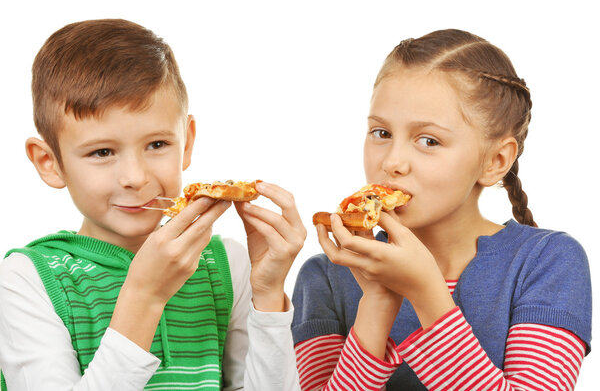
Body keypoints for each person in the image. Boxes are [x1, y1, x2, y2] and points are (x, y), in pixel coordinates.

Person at [0, 19, 304, 390]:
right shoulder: (26, 280)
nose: (135, 176)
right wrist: (144, 297)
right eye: (102, 152)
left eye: (157, 145)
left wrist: (268, 293)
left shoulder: (226, 265)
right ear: (50, 163)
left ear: (187, 142)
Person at [292, 29, 592, 390]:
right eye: (381, 133)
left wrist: (425, 293)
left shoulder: (547, 262)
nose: (392, 162)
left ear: (495, 161)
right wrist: (377, 301)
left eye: (428, 140)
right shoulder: (326, 277)